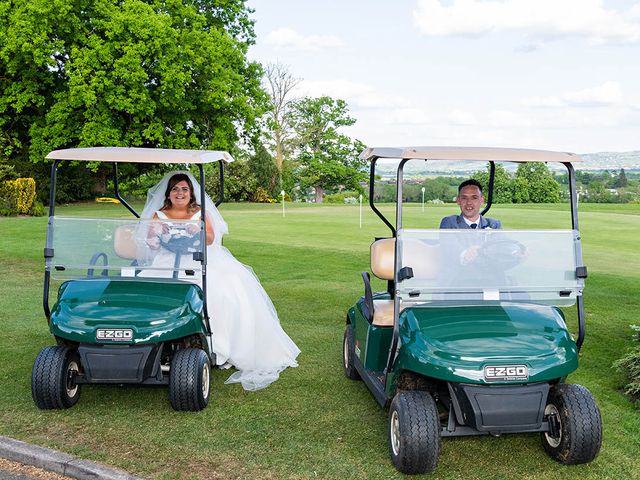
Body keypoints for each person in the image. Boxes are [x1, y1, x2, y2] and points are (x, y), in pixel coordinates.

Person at [139, 171, 300, 391]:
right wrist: (155, 234)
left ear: (191, 193)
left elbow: (210, 238)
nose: (180, 193)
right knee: (151, 292)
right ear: (168, 193)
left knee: (220, 292)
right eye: (175, 188)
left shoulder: (199, 212)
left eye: (184, 189)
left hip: (199, 259)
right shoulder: (159, 215)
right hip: (167, 261)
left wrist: (196, 230)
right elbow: (152, 244)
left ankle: (218, 347)